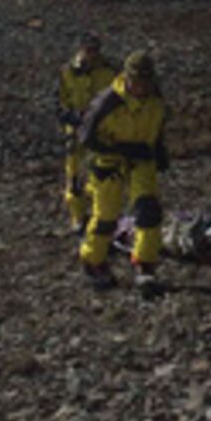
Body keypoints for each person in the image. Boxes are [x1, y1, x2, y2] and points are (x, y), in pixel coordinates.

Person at [77, 50, 169, 293]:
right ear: (127, 78)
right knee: (106, 217)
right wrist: (118, 149)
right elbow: (86, 137)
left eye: (145, 82)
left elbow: (157, 130)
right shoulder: (107, 102)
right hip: (110, 163)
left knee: (149, 211)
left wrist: (160, 156)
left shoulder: (155, 101)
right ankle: (93, 261)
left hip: (141, 160)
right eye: (137, 81)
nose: (141, 87)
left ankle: (145, 265)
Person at [56, 33, 117, 234]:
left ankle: (100, 216)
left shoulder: (110, 71)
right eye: (88, 50)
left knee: (100, 174)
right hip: (75, 131)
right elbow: (59, 102)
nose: (92, 55)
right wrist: (71, 117)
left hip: (101, 130)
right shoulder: (67, 72)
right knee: (74, 176)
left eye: (95, 50)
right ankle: (78, 217)